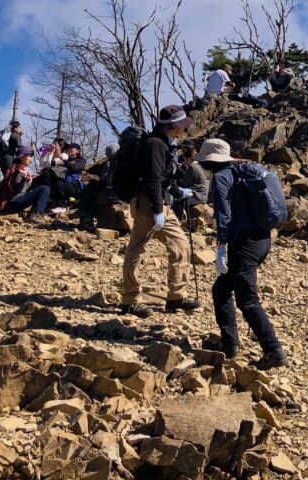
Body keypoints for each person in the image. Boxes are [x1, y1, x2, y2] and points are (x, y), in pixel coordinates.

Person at [199, 138, 287, 370]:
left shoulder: (221, 177)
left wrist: (220, 248)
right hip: (263, 240)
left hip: (245, 244)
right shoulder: (242, 172)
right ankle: (230, 345)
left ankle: (273, 350)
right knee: (221, 289)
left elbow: (223, 214)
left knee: (247, 299)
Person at [120, 105, 199, 318]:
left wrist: (178, 191)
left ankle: (176, 296)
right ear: (173, 127)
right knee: (137, 249)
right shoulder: (155, 144)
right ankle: (130, 300)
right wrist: (157, 211)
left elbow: (164, 178)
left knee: (180, 245)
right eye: (181, 126)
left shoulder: (165, 143)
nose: (183, 130)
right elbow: (152, 179)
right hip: (149, 204)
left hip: (161, 203)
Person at [0, 152, 51, 225]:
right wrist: (22, 176)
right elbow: (15, 184)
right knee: (45, 189)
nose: (30, 159)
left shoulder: (20, 169)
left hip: (13, 202)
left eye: (31, 156)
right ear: (21, 157)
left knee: (41, 187)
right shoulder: (18, 169)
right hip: (13, 202)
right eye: (28, 156)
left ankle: (34, 212)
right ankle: (34, 214)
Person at [173, 141, 209, 219]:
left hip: (198, 195)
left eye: (185, 159)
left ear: (188, 158)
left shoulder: (192, 167)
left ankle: (180, 219)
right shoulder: (198, 165)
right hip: (203, 194)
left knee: (177, 201)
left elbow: (185, 183)